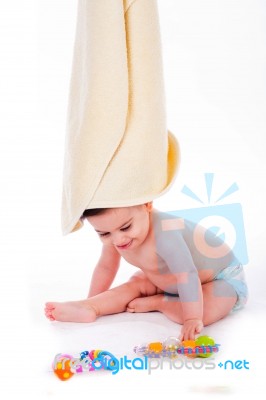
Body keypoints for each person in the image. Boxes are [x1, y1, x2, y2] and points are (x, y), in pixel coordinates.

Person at [44, 203, 248, 340]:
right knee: (135, 284)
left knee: (207, 309)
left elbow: (187, 274)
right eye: (104, 234)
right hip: (166, 281)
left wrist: (192, 318)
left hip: (222, 280)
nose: (118, 240)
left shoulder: (166, 231)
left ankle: (160, 303)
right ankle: (90, 308)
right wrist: (94, 298)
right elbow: (106, 267)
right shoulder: (116, 233)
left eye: (126, 228)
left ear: (146, 205)